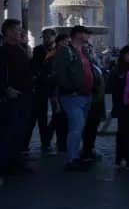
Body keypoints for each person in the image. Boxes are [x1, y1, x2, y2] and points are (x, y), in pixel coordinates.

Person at [50, 26, 97, 172]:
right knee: (76, 128)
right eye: (86, 33)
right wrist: (71, 89)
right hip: (73, 96)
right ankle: (72, 159)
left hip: (86, 94)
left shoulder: (83, 50)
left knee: (79, 127)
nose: (88, 36)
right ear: (77, 35)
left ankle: (76, 155)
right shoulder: (65, 51)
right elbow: (60, 73)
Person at [0, 19, 34, 175]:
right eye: (17, 29)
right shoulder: (3, 51)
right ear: (8, 32)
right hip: (12, 96)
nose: (20, 31)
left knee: (21, 130)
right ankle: (5, 164)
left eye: (20, 29)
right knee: (9, 131)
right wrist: (6, 89)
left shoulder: (21, 49)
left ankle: (15, 160)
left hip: (26, 95)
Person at [25, 28, 58, 156]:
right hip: (41, 87)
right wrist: (40, 76)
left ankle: (48, 140)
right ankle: (36, 143)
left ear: (54, 37)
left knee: (57, 115)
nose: (46, 39)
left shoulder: (58, 51)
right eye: (44, 37)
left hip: (54, 86)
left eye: (48, 37)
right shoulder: (38, 49)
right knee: (38, 116)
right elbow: (34, 66)